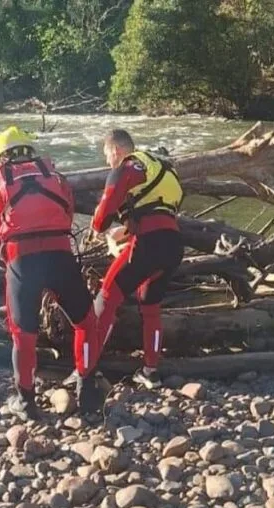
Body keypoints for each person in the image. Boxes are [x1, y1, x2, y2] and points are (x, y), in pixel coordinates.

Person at [0, 126, 102, 419]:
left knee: (23, 335)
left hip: (22, 261)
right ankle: (87, 388)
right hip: (59, 256)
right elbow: (67, 214)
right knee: (86, 322)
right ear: (31, 153)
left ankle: (26, 403)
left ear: (1, 159)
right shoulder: (56, 178)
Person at [84, 129, 185, 389]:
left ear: (116, 150)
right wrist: (125, 230)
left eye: (107, 155)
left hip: (148, 245)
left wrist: (100, 228)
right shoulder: (163, 168)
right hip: (173, 246)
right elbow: (157, 212)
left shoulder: (128, 166)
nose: (108, 162)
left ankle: (87, 369)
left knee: (106, 297)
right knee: (150, 307)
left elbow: (103, 215)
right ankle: (151, 371)